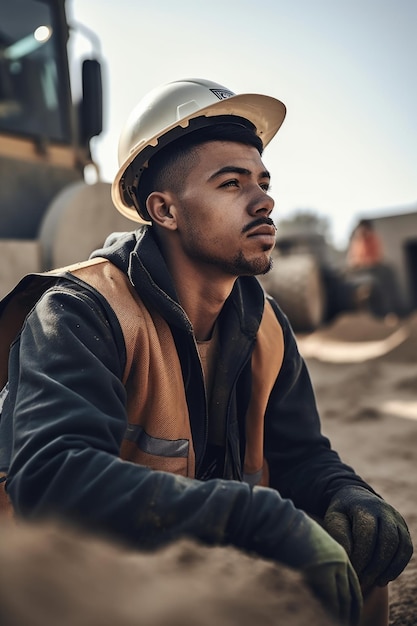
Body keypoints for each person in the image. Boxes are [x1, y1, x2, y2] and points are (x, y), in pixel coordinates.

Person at [0, 78, 412, 626]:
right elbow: (52, 477)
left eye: (263, 182)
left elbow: (301, 454)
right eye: (231, 184)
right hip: (61, 583)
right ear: (164, 211)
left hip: (177, 561)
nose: (264, 199)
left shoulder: (264, 324)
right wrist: (252, 518)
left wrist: (348, 495)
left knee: (360, 561)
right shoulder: (79, 312)